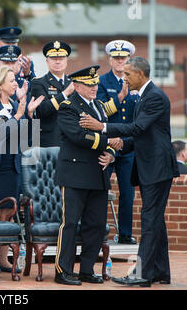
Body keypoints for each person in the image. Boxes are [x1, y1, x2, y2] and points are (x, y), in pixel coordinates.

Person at [80, 57, 180, 287]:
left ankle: (142, 274)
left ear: (141, 75)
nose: (124, 78)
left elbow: (138, 127)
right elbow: (141, 135)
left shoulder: (154, 96)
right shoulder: (144, 95)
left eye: (128, 74)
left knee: (150, 220)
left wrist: (102, 127)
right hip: (150, 166)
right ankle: (160, 272)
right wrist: (122, 143)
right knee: (156, 221)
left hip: (157, 168)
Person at [0, 65, 43, 274]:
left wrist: (29, 115)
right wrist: (18, 116)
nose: (16, 83)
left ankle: (4, 259)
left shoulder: (15, 105)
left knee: (9, 211)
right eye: (11, 80)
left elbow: (27, 139)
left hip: (13, 164)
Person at [54, 65, 116, 286]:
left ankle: (87, 270)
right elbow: (78, 136)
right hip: (75, 173)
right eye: (90, 85)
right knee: (70, 224)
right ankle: (63, 270)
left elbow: (111, 134)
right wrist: (108, 141)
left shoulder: (99, 106)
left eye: (96, 84)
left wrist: (110, 153)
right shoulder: (69, 107)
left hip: (98, 173)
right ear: (77, 86)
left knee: (95, 225)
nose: (94, 88)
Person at [97, 40, 138, 244]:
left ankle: (125, 233)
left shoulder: (136, 82)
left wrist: (126, 140)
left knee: (128, 193)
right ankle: (98, 232)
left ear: (128, 59)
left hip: (127, 146)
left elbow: (138, 116)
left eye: (123, 58)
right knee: (100, 191)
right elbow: (100, 112)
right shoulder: (102, 82)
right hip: (106, 143)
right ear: (110, 59)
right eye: (116, 58)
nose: (120, 61)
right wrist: (120, 97)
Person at [31, 40, 74, 147]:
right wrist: (65, 93)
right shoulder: (38, 83)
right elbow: (42, 110)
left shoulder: (73, 83)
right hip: (49, 141)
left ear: (67, 60)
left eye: (61, 59)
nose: (58, 62)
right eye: (54, 59)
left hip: (71, 140)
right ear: (47, 61)